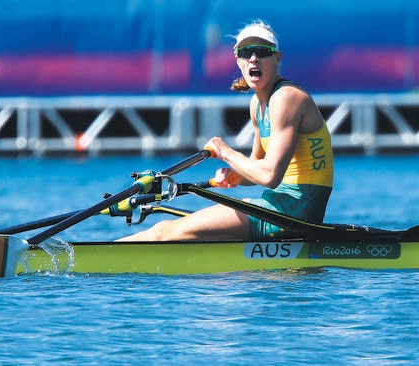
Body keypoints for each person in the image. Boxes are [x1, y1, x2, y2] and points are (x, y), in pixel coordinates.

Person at [118, 20, 333, 241]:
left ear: (277, 58)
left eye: (262, 51)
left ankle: (89, 260)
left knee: (165, 230)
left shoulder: (287, 97)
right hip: (281, 210)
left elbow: (269, 176)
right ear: (238, 60)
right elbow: (257, 166)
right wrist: (238, 176)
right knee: (191, 244)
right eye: (246, 52)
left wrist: (225, 152)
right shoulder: (257, 106)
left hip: (291, 214)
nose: (253, 58)